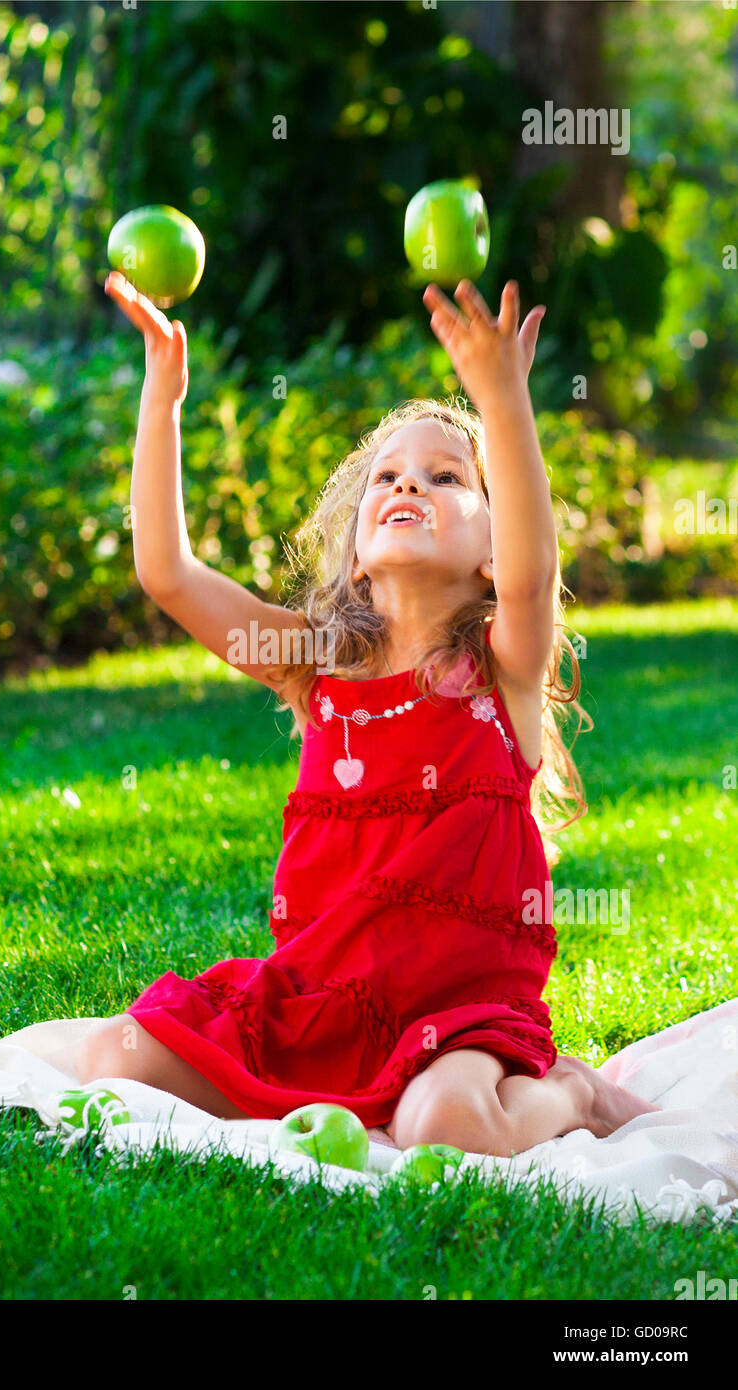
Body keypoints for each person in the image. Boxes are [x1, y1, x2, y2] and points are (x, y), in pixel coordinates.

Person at [71, 269, 658, 1157]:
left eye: (446, 477)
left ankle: (569, 1091)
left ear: (492, 549)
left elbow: (536, 573)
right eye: (386, 475)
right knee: (126, 1058)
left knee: (446, 1125)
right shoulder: (314, 669)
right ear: (354, 558)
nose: (406, 485)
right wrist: (164, 391)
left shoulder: (501, 672)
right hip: (322, 1000)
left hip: (460, 1015)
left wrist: (501, 400)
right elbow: (169, 574)